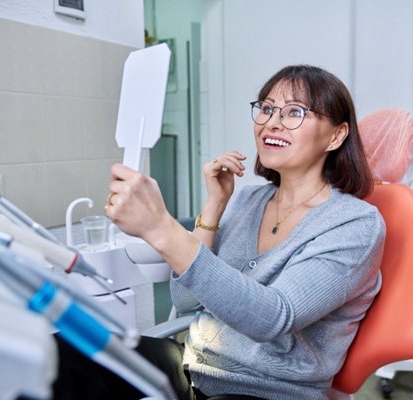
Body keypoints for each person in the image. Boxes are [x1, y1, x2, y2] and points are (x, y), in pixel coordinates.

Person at [52, 64, 385, 400]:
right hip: (193, 369)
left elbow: (273, 318)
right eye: (267, 108)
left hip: (269, 391)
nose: (272, 122)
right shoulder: (246, 199)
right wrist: (214, 206)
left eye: (294, 112)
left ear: (336, 135)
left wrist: (161, 228)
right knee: (61, 352)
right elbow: (186, 300)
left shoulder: (355, 224)